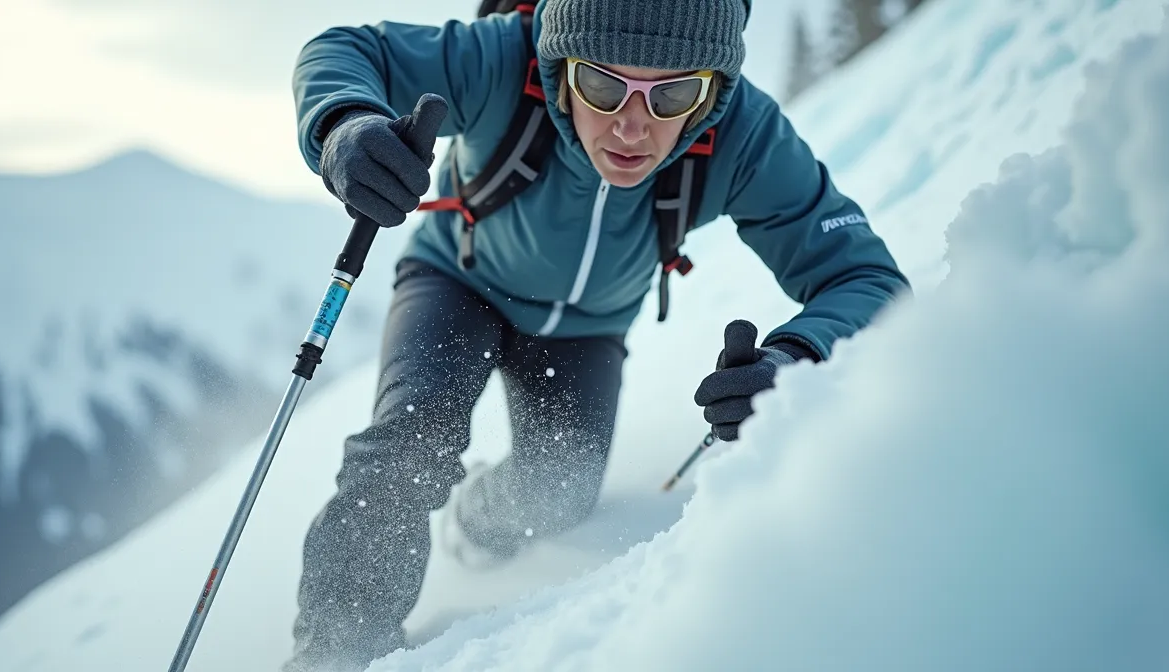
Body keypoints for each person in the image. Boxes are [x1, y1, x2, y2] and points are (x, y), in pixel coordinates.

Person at [285, 0, 910, 669]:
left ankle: (476, 529)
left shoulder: (741, 136)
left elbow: (865, 277)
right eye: (603, 86)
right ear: (560, 66)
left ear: (713, 90)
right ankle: (335, 657)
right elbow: (348, 50)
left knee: (560, 488)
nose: (634, 124)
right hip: (457, 283)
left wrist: (796, 359)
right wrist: (344, 125)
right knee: (411, 441)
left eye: (673, 93)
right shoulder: (502, 60)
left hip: (585, 331)